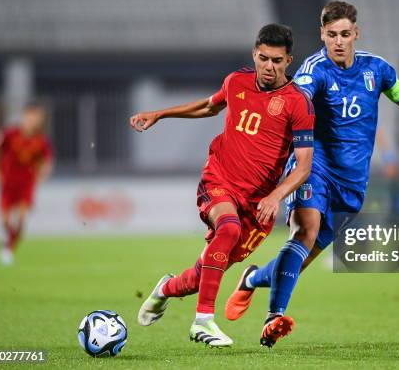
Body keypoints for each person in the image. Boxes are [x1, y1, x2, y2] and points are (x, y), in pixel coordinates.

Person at [225, 0, 399, 348]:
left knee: (301, 258)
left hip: (351, 185)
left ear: (355, 34)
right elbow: (293, 103)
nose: (338, 41)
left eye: (345, 34)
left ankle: (253, 279)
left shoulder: (377, 70)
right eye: (331, 35)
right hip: (313, 169)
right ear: (322, 35)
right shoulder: (314, 71)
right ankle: (274, 318)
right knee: (304, 233)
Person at [131, 24, 315, 347]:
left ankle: (166, 288)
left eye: (276, 60)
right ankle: (203, 321)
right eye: (263, 58)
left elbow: (303, 166)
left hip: (257, 204)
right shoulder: (236, 82)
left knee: (202, 276)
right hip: (219, 179)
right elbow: (208, 106)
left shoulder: (298, 103)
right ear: (254, 54)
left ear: (289, 61)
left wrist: (275, 196)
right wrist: (161, 114)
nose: (268, 67)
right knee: (226, 229)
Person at [0, 101, 54, 266]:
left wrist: (44, 172)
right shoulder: (10, 134)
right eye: (31, 116)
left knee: (21, 221)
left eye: (38, 117)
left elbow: (47, 161)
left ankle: (8, 249)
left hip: (27, 183)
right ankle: (5, 240)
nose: (34, 120)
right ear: (25, 116)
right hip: (8, 182)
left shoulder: (42, 141)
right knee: (5, 221)